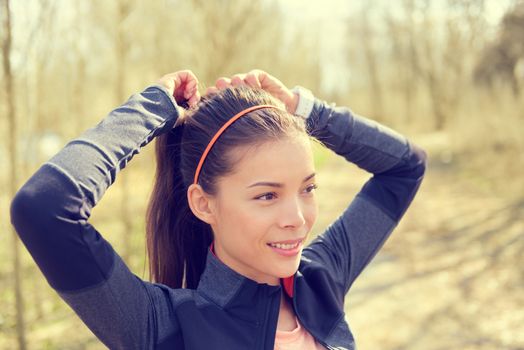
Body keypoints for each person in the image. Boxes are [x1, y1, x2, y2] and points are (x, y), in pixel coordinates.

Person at [10, 69, 427, 349]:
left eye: (307, 188)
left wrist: (303, 109)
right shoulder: (165, 326)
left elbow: (405, 168)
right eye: (267, 195)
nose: (297, 218)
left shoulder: (321, 280)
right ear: (203, 203)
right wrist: (152, 109)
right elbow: (44, 208)